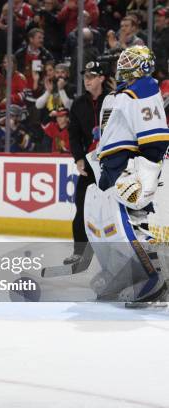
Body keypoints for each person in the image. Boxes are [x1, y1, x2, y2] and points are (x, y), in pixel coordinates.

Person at [84, 45, 169, 305]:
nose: (123, 65)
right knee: (98, 220)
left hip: (127, 166)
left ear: (142, 65)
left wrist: (146, 173)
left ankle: (152, 276)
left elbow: (155, 138)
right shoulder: (123, 93)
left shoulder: (143, 88)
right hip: (111, 167)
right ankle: (118, 273)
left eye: (130, 61)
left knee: (126, 226)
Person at [65, 61, 110, 265]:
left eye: (92, 76)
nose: (87, 80)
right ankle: (80, 251)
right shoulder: (78, 104)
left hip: (113, 162)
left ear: (101, 78)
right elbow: (73, 135)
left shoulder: (114, 99)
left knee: (113, 209)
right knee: (82, 205)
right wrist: (79, 158)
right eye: (85, 76)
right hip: (90, 163)